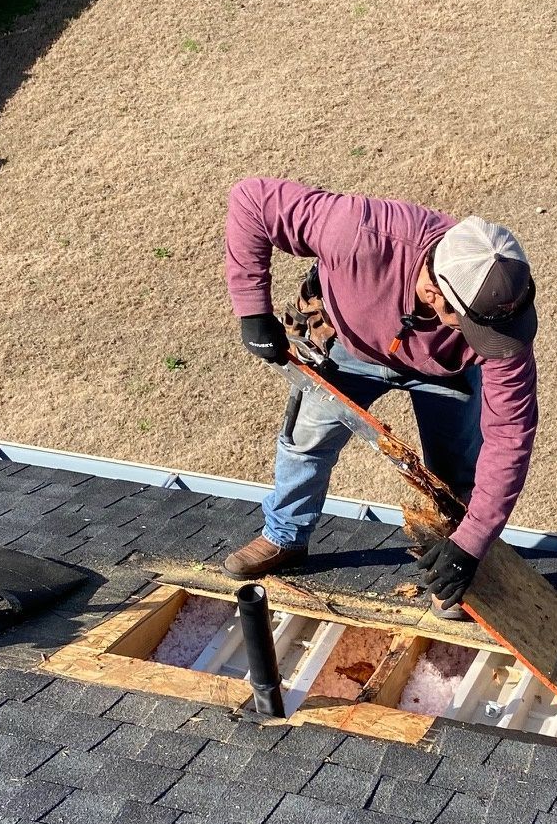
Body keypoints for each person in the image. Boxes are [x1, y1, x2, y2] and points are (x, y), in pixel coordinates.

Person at [223, 177, 539, 609]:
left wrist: (473, 542)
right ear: (433, 292)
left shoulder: (502, 333)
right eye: (470, 327)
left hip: (445, 372)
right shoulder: (358, 231)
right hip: (349, 351)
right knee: (304, 443)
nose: (485, 340)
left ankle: (452, 564)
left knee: (454, 473)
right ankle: (285, 536)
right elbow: (252, 199)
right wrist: (252, 311)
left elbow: (509, 437)